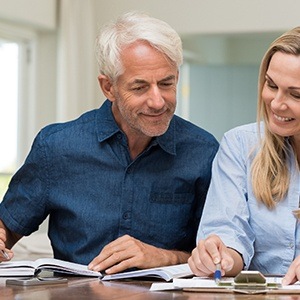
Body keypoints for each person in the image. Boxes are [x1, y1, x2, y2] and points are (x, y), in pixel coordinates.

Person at [0, 11, 218, 275]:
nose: (158, 101)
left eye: (166, 83)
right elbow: (9, 227)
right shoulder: (56, 147)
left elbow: (215, 257)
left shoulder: (203, 151)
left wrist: (160, 257)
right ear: (108, 87)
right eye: (139, 87)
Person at [188, 26, 300, 285]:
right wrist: (220, 255)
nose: (276, 103)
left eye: (296, 94)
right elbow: (228, 231)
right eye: (271, 85)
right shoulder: (240, 144)